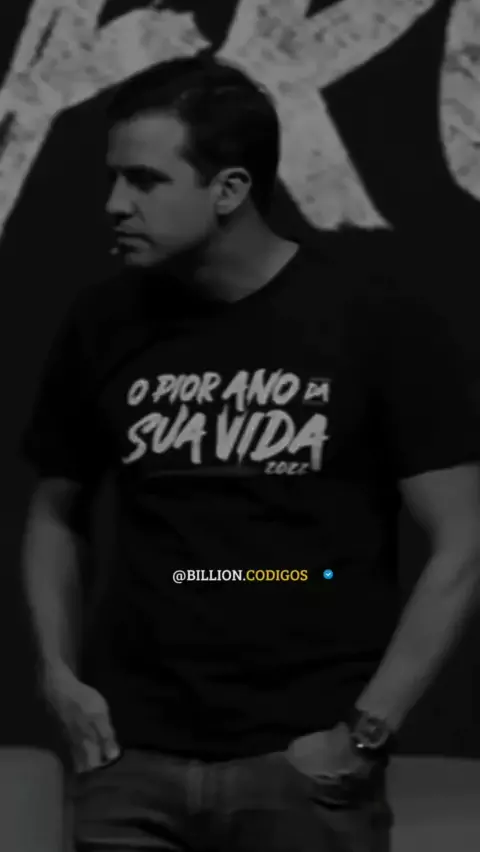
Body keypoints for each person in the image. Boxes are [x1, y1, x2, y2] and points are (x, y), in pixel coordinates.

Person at [19, 55, 480, 852]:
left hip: (301, 768)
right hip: (128, 763)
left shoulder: (373, 321)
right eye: (113, 178)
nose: (114, 204)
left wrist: (366, 730)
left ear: (229, 189)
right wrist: (58, 677)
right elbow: (53, 515)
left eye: (145, 180)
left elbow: (464, 538)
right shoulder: (102, 323)